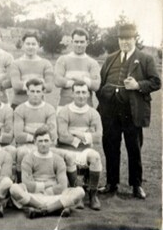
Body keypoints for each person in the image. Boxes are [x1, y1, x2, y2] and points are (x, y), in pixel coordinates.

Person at [96, 24, 161, 199]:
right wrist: (104, 95)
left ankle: (136, 185)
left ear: (134, 40)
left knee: (134, 148)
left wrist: (138, 85)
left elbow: (156, 82)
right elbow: (100, 83)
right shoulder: (110, 58)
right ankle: (111, 183)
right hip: (110, 110)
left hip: (132, 110)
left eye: (128, 39)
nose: (125, 42)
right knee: (110, 146)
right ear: (118, 40)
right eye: (122, 39)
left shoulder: (145, 59)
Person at [9, 128, 85, 218]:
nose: (43, 144)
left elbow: (63, 186)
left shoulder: (58, 159)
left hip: (55, 196)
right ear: (35, 142)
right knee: (14, 188)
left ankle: (42, 210)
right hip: (34, 197)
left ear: (51, 142)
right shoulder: (28, 159)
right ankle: (53, 209)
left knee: (80, 191)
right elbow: (27, 184)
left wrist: (45, 191)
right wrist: (47, 185)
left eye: (46, 140)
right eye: (40, 141)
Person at [53, 83, 103, 210]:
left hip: (84, 150)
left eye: (84, 92)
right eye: (78, 92)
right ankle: (77, 194)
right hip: (66, 150)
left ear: (88, 94)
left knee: (95, 157)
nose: (81, 96)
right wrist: (86, 136)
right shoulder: (64, 111)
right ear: (72, 94)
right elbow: (62, 136)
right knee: (69, 157)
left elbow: (98, 137)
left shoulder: (93, 113)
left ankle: (93, 195)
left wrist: (76, 133)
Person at [14, 78, 56, 182]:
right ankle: (20, 182)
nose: (35, 94)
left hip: (45, 144)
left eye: (38, 91)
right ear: (27, 91)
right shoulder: (20, 109)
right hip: (25, 145)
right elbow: (19, 136)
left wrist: (28, 131)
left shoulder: (49, 109)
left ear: (43, 92)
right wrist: (41, 132)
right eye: (32, 91)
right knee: (22, 153)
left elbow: (52, 135)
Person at [54, 28, 100, 112]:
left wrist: (72, 79)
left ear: (87, 43)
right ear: (72, 42)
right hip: (64, 107)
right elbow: (57, 81)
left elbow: (96, 85)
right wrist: (84, 81)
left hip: (86, 108)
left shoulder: (93, 63)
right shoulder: (62, 60)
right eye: (76, 41)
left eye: (82, 42)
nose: (79, 45)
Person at [10, 31, 54, 109]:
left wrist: (24, 84)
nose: (30, 47)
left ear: (38, 45)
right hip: (18, 105)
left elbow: (49, 87)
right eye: (28, 44)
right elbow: (16, 85)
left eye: (33, 44)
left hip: (39, 106)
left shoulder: (46, 64)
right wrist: (39, 83)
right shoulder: (15, 63)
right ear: (23, 45)